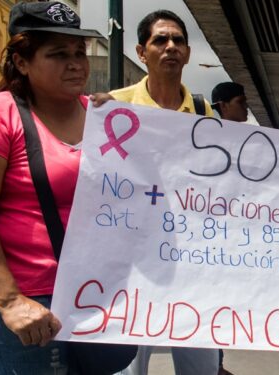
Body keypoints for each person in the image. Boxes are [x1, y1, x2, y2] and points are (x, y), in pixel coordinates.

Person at [0, 2, 101, 373]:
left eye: (78, 53)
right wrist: (9, 301)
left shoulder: (106, 118)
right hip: (30, 304)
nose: (75, 64)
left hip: (96, 297)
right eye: (57, 54)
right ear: (22, 62)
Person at [106, 9, 219, 375]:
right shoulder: (112, 107)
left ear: (187, 53)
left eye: (178, 41)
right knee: (128, 367)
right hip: (131, 268)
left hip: (192, 266)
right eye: (160, 40)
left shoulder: (206, 115)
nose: (170, 47)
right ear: (142, 52)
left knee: (201, 365)